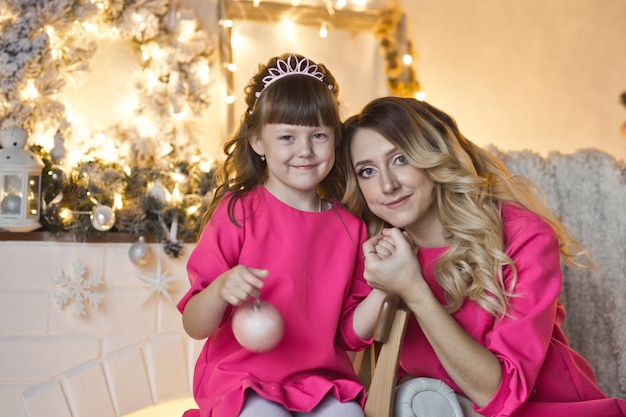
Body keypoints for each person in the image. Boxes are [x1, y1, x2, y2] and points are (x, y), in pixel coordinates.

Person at [340, 96, 626, 417]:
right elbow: (348, 337)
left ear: (434, 156)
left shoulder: (521, 235)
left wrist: (413, 289)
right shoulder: (377, 251)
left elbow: (498, 394)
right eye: (367, 171)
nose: (387, 185)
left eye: (401, 159)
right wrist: (385, 285)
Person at [177, 53, 384, 417]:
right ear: (258, 142)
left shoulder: (350, 228)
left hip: (320, 381)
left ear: (335, 140)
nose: (305, 150)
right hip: (241, 381)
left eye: (318, 135)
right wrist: (221, 288)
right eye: (287, 136)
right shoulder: (238, 212)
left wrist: (386, 287)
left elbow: (350, 335)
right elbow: (194, 324)